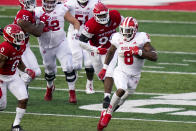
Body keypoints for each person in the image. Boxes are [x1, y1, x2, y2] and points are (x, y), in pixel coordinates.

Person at [97, 17, 158, 130]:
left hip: (135, 75)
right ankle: (108, 115)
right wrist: (104, 68)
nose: (125, 34)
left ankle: (105, 113)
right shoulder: (117, 37)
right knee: (121, 89)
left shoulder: (142, 38)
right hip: (121, 71)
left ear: (135, 30)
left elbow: (154, 56)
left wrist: (139, 52)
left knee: (123, 98)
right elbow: (110, 52)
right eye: (123, 30)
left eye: (128, 31)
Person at [34, 0, 80, 103]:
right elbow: (31, 29)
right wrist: (40, 27)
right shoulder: (36, 12)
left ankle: (72, 93)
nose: (49, 4)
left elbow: (75, 21)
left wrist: (76, 32)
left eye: (52, 2)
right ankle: (49, 88)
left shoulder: (61, 9)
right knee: (49, 70)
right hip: (45, 46)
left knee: (68, 66)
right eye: (47, 2)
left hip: (61, 43)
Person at [78, 2, 123, 108]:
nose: (103, 17)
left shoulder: (115, 15)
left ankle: (107, 97)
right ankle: (111, 89)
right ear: (95, 16)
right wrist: (96, 49)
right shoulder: (91, 24)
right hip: (96, 49)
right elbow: (81, 42)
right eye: (100, 15)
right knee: (100, 73)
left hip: (111, 48)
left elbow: (124, 24)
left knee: (109, 71)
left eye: (104, 15)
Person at [0, 24, 35, 131]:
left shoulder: (22, 45)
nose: (20, 38)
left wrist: (26, 69)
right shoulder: (5, 48)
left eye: (20, 35)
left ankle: (15, 126)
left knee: (23, 99)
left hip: (13, 76)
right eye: (17, 36)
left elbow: (18, 60)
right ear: (9, 37)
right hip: (1, 77)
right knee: (2, 106)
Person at [65, 0, 100, 94]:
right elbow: (62, 11)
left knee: (89, 62)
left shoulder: (95, 3)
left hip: (89, 33)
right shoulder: (70, 3)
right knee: (76, 63)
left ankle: (89, 83)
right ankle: (74, 74)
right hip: (74, 32)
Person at [14, 0, 47, 88]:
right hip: (17, 48)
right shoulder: (23, 14)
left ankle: (19, 80)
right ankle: (22, 93)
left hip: (25, 46)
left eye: (32, 1)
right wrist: (42, 23)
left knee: (37, 72)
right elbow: (37, 33)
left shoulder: (31, 13)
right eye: (29, 2)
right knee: (27, 76)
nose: (31, 4)